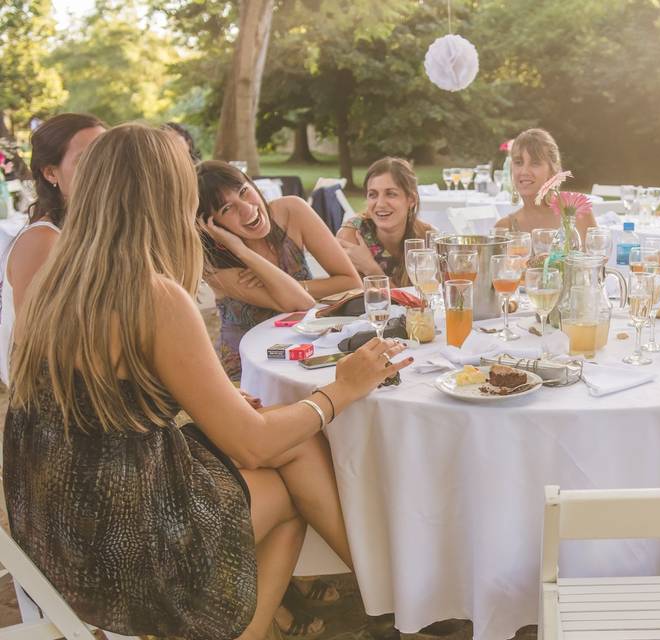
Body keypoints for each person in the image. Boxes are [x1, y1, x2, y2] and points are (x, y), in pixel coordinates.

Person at [4, 123, 413, 639]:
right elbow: (255, 445)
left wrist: (197, 401)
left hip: (53, 528)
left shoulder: (56, 279)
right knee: (290, 480)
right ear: (167, 197)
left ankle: (390, 598)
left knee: (293, 448)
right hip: (126, 547)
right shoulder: (151, 295)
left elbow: (102, 394)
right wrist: (344, 387)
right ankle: (393, 597)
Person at [197, 160, 362, 382]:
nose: (247, 210)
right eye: (227, 209)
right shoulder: (213, 262)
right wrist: (244, 253)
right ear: (211, 224)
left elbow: (352, 283)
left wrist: (276, 281)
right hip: (250, 367)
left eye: (244, 192)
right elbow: (299, 303)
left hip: (310, 346)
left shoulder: (292, 210)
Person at [0, 112, 106, 385]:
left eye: (106, 155)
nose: (104, 167)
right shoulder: (43, 240)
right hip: (54, 404)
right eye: (86, 159)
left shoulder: (93, 231)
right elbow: (33, 339)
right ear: (50, 173)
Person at [336, 157, 435, 287]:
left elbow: (425, 300)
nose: (380, 204)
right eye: (373, 194)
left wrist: (371, 269)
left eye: (391, 194)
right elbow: (351, 297)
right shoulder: (352, 236)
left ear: (411, 200)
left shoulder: (427, 238)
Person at [494, 128, 597, 243]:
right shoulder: (504, 228)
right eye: (518, 162)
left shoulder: (577, 212)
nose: (524, 171)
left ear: (552, 171)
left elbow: (598, 257)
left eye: (535, 163)